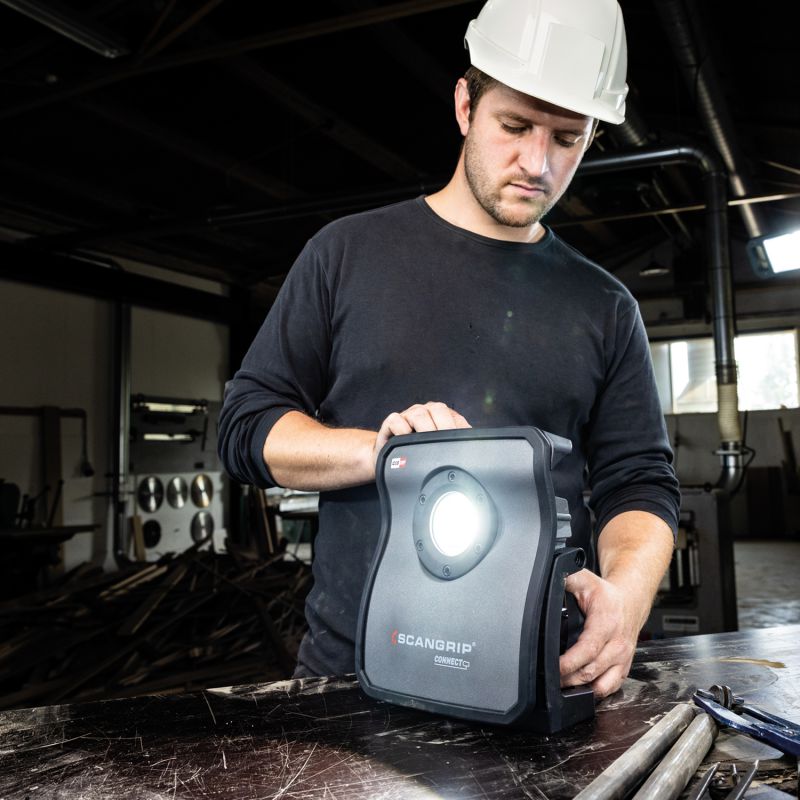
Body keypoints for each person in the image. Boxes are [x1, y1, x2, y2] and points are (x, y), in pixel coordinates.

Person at [218, 0, 679, 698]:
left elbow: (638, 480)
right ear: (465, 105)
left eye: (567, 138)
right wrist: (385, 453)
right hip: (352, 677)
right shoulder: (347, 255)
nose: (537, 163)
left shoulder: (606, 307)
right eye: (515, 126)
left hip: (533, 673)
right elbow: (245, 425)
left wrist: (628, 597)